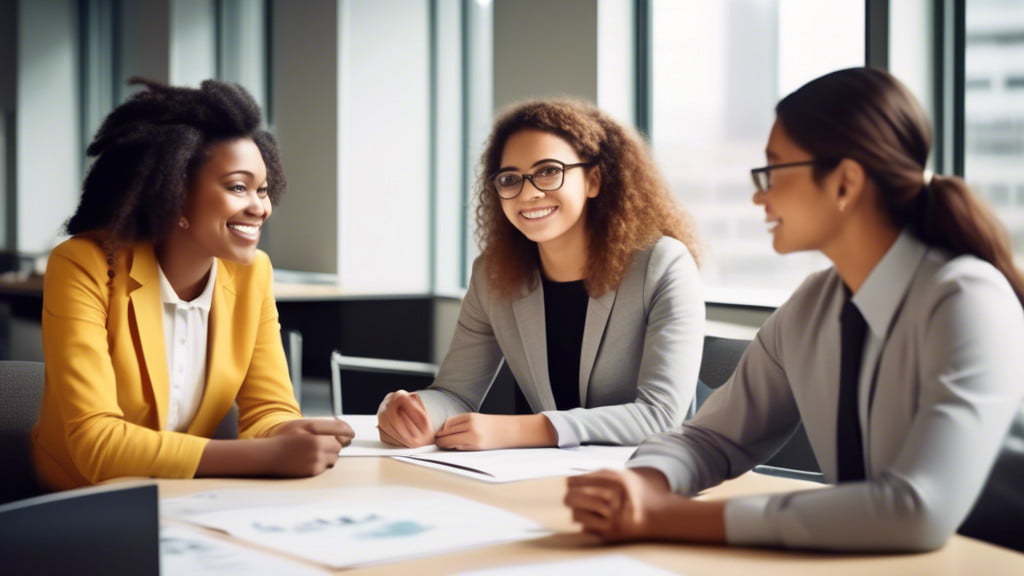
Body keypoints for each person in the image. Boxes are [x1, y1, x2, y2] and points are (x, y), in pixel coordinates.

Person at [564, 67, 1024, 552]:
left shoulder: (966, 299)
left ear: (845, 182)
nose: (759, 195)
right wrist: (647, 483)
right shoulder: (811, 307)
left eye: (773, 170)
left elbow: (915, 511)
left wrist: (667, 518)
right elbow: (709, 440)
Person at [32, 78, 354, 491]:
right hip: (80, 501)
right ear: (176, 194)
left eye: (263, 190)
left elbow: (268, 410)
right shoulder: (85, 265)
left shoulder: (252, 273)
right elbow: (95, 443)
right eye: (238, 187)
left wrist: (289, 433)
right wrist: (263, 455)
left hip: (184, 494)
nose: (260, 208)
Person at [377, 100, 704, 450]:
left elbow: (660, 415)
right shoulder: (493, 275)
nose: (528, 193)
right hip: (545, 478)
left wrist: (516, 431)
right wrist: (414, 411)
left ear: (594, 179)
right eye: (510, 179)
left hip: (648, 479)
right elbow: (456, 393)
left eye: (549, 170)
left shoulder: (663, 264)